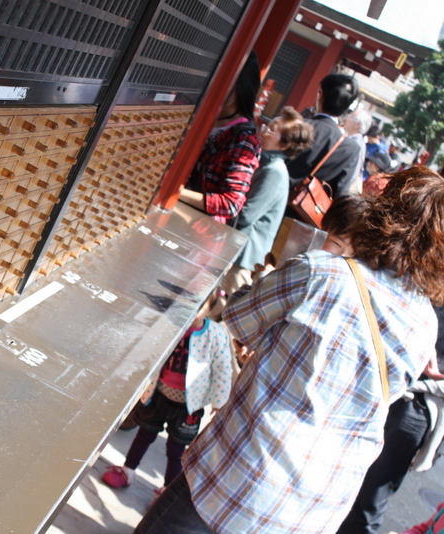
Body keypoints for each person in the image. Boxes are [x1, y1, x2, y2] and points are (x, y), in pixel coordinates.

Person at [135, 167, 444, 534]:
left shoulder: (322, 272)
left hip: (239, 478)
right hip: (316, 507)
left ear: (383, 215)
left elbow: (239, 320)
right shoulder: (426, 323)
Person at [102, 292, 235, 494]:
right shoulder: (171, 325)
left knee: (176, 448)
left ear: (210, 308)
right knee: (144, 433)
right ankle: (127, 470)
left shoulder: (215, 335)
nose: (192, 310)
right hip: (159, 394)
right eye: (188, 304)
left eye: (200, 306)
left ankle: (167, 489)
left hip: (189, 406)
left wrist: (219, 401)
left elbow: (223, 369)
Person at [220, 107, 313, 295]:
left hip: (243, 257)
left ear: (285, 145)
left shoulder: (274, 171)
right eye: (266, 127)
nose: (263, 131)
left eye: (271, 130)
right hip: (238, 250)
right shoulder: (268, 165)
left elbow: (246, 215)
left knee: (224, 305)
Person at [179, 52, 261, 224]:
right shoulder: (201, 114)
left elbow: (230, 204)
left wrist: (175, 191)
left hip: (194, 227)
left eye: (226, 82)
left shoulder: (243, 139)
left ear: (242, 86)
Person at [287, 74, 361, 198]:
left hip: (270, 195)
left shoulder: (295, 125)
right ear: (348, 106)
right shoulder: (350, 148)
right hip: (305, 208)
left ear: (320, 95)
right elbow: (340, 193)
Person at [341, 109, 373, 194]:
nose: (346, 118)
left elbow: (352, 174)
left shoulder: (356, 143)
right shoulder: (356, 141)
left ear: (358, 124)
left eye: (350, 116)